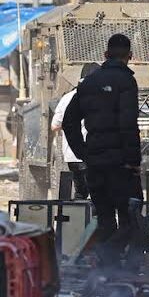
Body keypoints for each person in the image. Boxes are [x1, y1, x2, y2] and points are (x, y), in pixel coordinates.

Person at [63, 34, 143, 266]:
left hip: (96, 163)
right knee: (131, 217)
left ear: (106, 55)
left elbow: (69, 122)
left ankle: (107, 273)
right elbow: (128, 124)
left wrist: (84, 153)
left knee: (106, 219)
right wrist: (133, 161)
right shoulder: (127, 81)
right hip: (121, 165)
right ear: (130, 56)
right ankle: (114, 260)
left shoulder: (88, 83)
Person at [50, 63, 100, 200]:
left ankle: (78, 212)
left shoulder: (67, 98)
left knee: (81, 193)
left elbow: (54, 126)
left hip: (73, 156)